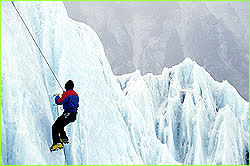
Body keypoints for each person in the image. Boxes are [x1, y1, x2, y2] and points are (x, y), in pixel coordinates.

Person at [50, 80, 79, 152]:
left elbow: (59, 101)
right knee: (60, 124)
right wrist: (65, 94)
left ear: (66, 86)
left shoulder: (67, 94)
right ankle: (63, 137)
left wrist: (57, 97)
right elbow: (70, 100)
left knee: (55, 126)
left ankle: (57, 143)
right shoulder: (76, 94)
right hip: (73, 115)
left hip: (68, 114)